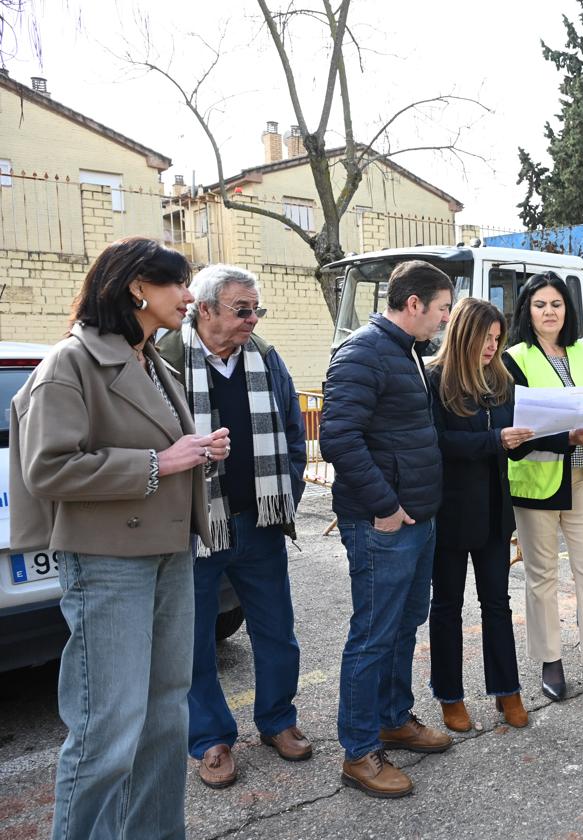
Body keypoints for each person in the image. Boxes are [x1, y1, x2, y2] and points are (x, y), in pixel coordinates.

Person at [8, 236, 229, 839]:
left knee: (164, 720)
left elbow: (158, 451)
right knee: (107, 729)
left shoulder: (154, 361)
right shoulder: (70, 362)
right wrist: (163, 462)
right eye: (178, 284)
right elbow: (48, 468)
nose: (189, 296)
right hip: (108, 562)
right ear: (137, 287)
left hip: (168, 554)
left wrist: (196, 454)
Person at [157, 264, 309, 789]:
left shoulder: (265, 357)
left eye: (256, 309)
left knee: (276, 633)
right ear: (204, 309)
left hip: (259, 523)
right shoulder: (165, 361)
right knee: (194, 643)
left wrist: (287, 491)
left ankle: (278, 722)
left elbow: (293, 431)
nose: (252, 319)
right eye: (242, 309)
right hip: (194, 530)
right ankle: (210, 741)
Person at [321, 260, 455, 799]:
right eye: (443, 309)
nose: (445, 320)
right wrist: (384, 505)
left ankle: (393, 719)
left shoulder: (405, 351)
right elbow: (338, 437)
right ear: (415, 304)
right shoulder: (363, 352)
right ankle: (358, 752)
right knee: (373, 635)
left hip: (416, 518)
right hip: (385, 522)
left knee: (403, 626)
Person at [502, 272, 583, 700]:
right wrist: (567, 435)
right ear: (527, 312)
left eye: (557, 304)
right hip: (537, 482)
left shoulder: (582, 354)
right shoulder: (513, 358)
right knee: (541, 577)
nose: (550, 312)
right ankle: (550, 660)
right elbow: (516, 426)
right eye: (540, 305)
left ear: (567, 310)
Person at [426, 298, 535, 731]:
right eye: (484, 338)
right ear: (462, 334)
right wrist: (494, 440)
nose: (492, 347)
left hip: (494, 512)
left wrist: (560, 435)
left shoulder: (504, 378)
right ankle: (450, 696)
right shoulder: (435, 378)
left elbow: (520, 440)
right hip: (449, 511)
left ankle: (507, 690)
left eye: (497, 338)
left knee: (497, 604)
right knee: (448, 606)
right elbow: (437, 443)